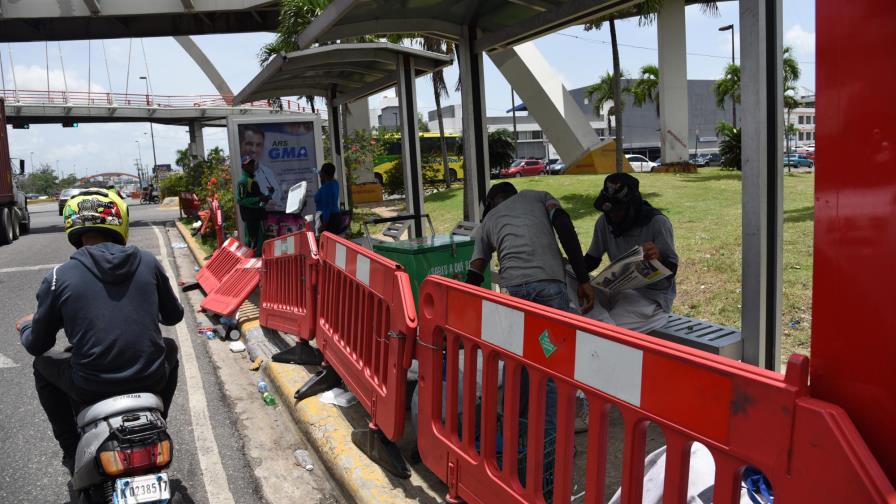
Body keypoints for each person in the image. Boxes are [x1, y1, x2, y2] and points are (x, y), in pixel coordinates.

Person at [15, 189, 183, 475]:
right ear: (119, 221)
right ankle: (157, 419)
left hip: (91, 385)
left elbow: (38, 344)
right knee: (169, 348)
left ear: (73, 226)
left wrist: (27, 326)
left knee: (42, 365)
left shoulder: (59, 277)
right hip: (149, 377)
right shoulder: (148, 262)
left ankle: (70, 449)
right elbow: (174, 316)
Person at [464, 182, 594, 489]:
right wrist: (583, 278)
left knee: (518, 364)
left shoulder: (488, 222)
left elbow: (476, 269)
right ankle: (551, 451)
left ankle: (518, 443)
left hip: (516, 296)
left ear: (491, 203)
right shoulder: (539, 197)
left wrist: (461, 301)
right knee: (552, 370)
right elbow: (564, 225)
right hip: (549, 291)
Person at [582, 172, 678, 333]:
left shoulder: (657, 223)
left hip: (650, 298)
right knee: (572, 290)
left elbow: (672, 270)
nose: (613, 217)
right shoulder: (604, 222)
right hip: (617, 290)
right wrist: (571, 269)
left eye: (618, 212)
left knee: (606, 333)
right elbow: (592, 259)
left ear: (632, 206)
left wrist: (658, 258)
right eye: (609, 212)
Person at [239, 125, 281, 210]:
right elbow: (242, 201)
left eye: (258, 145)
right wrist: (261, 204)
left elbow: (278, 199)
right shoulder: (240, 175)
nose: (254, 149)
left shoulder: (268, 172)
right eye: (249, 144)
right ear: (240, 145)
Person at [237, 156, 272, 257]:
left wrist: (267, 195)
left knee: (260, 243)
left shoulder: (252, 180)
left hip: (257, 217)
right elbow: (241, 200)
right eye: (249, 164)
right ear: (243, 166)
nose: (251, 166)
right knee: (253, 244)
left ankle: (258, 264)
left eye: (252, 163)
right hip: (251, 218)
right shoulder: (243, 181)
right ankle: (251, 265)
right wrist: (258, 199)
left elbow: (258, 196)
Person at [314, 162, 342, 235]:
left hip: (329, 219)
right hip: (336, 216)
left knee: (326, 242)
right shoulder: (335, 183)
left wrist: (324, 225)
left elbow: (326, 209)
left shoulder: (325, 189)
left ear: (324, 174)